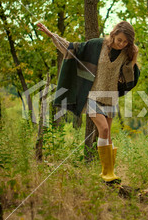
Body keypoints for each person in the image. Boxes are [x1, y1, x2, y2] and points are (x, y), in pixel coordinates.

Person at [37, 21, 140, 185]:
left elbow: (128, 77)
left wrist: (133, 60)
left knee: (108, 135)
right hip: (92, 95)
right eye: (119, 39)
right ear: (113, 34)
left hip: (110, 97)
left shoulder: (126, 54)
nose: (121, 44)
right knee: (103, 129)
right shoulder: (97, 45)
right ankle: (106, 173)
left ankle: (111, 174)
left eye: (125, 42)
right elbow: (72, 48)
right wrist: (52, 35)